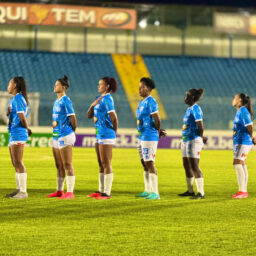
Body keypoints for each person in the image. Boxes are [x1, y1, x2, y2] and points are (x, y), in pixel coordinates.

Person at [87, 77, 118, 200]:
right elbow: (89, 115)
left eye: (101, 84)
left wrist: (113, 133)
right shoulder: (98, 99)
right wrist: (92, 105)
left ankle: (107, 192)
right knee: (100, 163)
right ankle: (101, 190)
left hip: (106, 134)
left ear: (107, 86)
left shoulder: (107, 99)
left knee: (106, 163)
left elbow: (114, 118)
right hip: (99, 134)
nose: (98, 86)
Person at [47, 75, 77, 199]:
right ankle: (59, 190)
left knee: (67, 164)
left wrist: (70, 131)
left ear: (63, 87)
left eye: (57, 85)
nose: (55, 86)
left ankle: (70, 192)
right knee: (59, 165)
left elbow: (73, 119)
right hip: (56, 136)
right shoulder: (56, 101)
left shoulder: (66, 100)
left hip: (65, 135)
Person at [135, 77, 162, 200]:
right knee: (144, 163)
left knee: (150, 163)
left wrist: (157, 131)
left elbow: (157, 119)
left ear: (149, 89)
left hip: (149, 136)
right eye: (139, 87)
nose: (139, 90)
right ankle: (147, 190)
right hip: (142, 136)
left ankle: (155, 193)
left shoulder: (151, 101)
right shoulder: (142, 102)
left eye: (142, 87)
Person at [6, 76, 32, 199]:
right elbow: (15, 116)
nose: (8, 85)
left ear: (15, 85)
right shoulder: (15, 99)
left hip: (19, 133)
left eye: (10, 83)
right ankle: (18, 190)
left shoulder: (18, 98)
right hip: (13, 133)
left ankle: (23, 192)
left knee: (18, 162)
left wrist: (27, 129)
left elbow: (22, 117)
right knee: (15, 162)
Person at [179, 88, 207, 199]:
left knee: (195, 165)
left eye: (187, 95)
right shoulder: (189, 109)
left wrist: (200, 138)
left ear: (193, 98)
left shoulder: (196, 108)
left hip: (193, 140)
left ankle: (201, 193)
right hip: (186, 140)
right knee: (186, 165)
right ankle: (190, 191)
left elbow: (200, 125)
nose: (185, 97)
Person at [232, 94, 253, 199]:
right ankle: (243, 190)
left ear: (239, 100)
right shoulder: (240, 111)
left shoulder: (243, 111)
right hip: (240, 141)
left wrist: (251, 137)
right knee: (242, 163)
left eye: (235, 98)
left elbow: (249, 125)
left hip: (243, 141)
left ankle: (242, 191)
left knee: (237, 164)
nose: (233, 100)